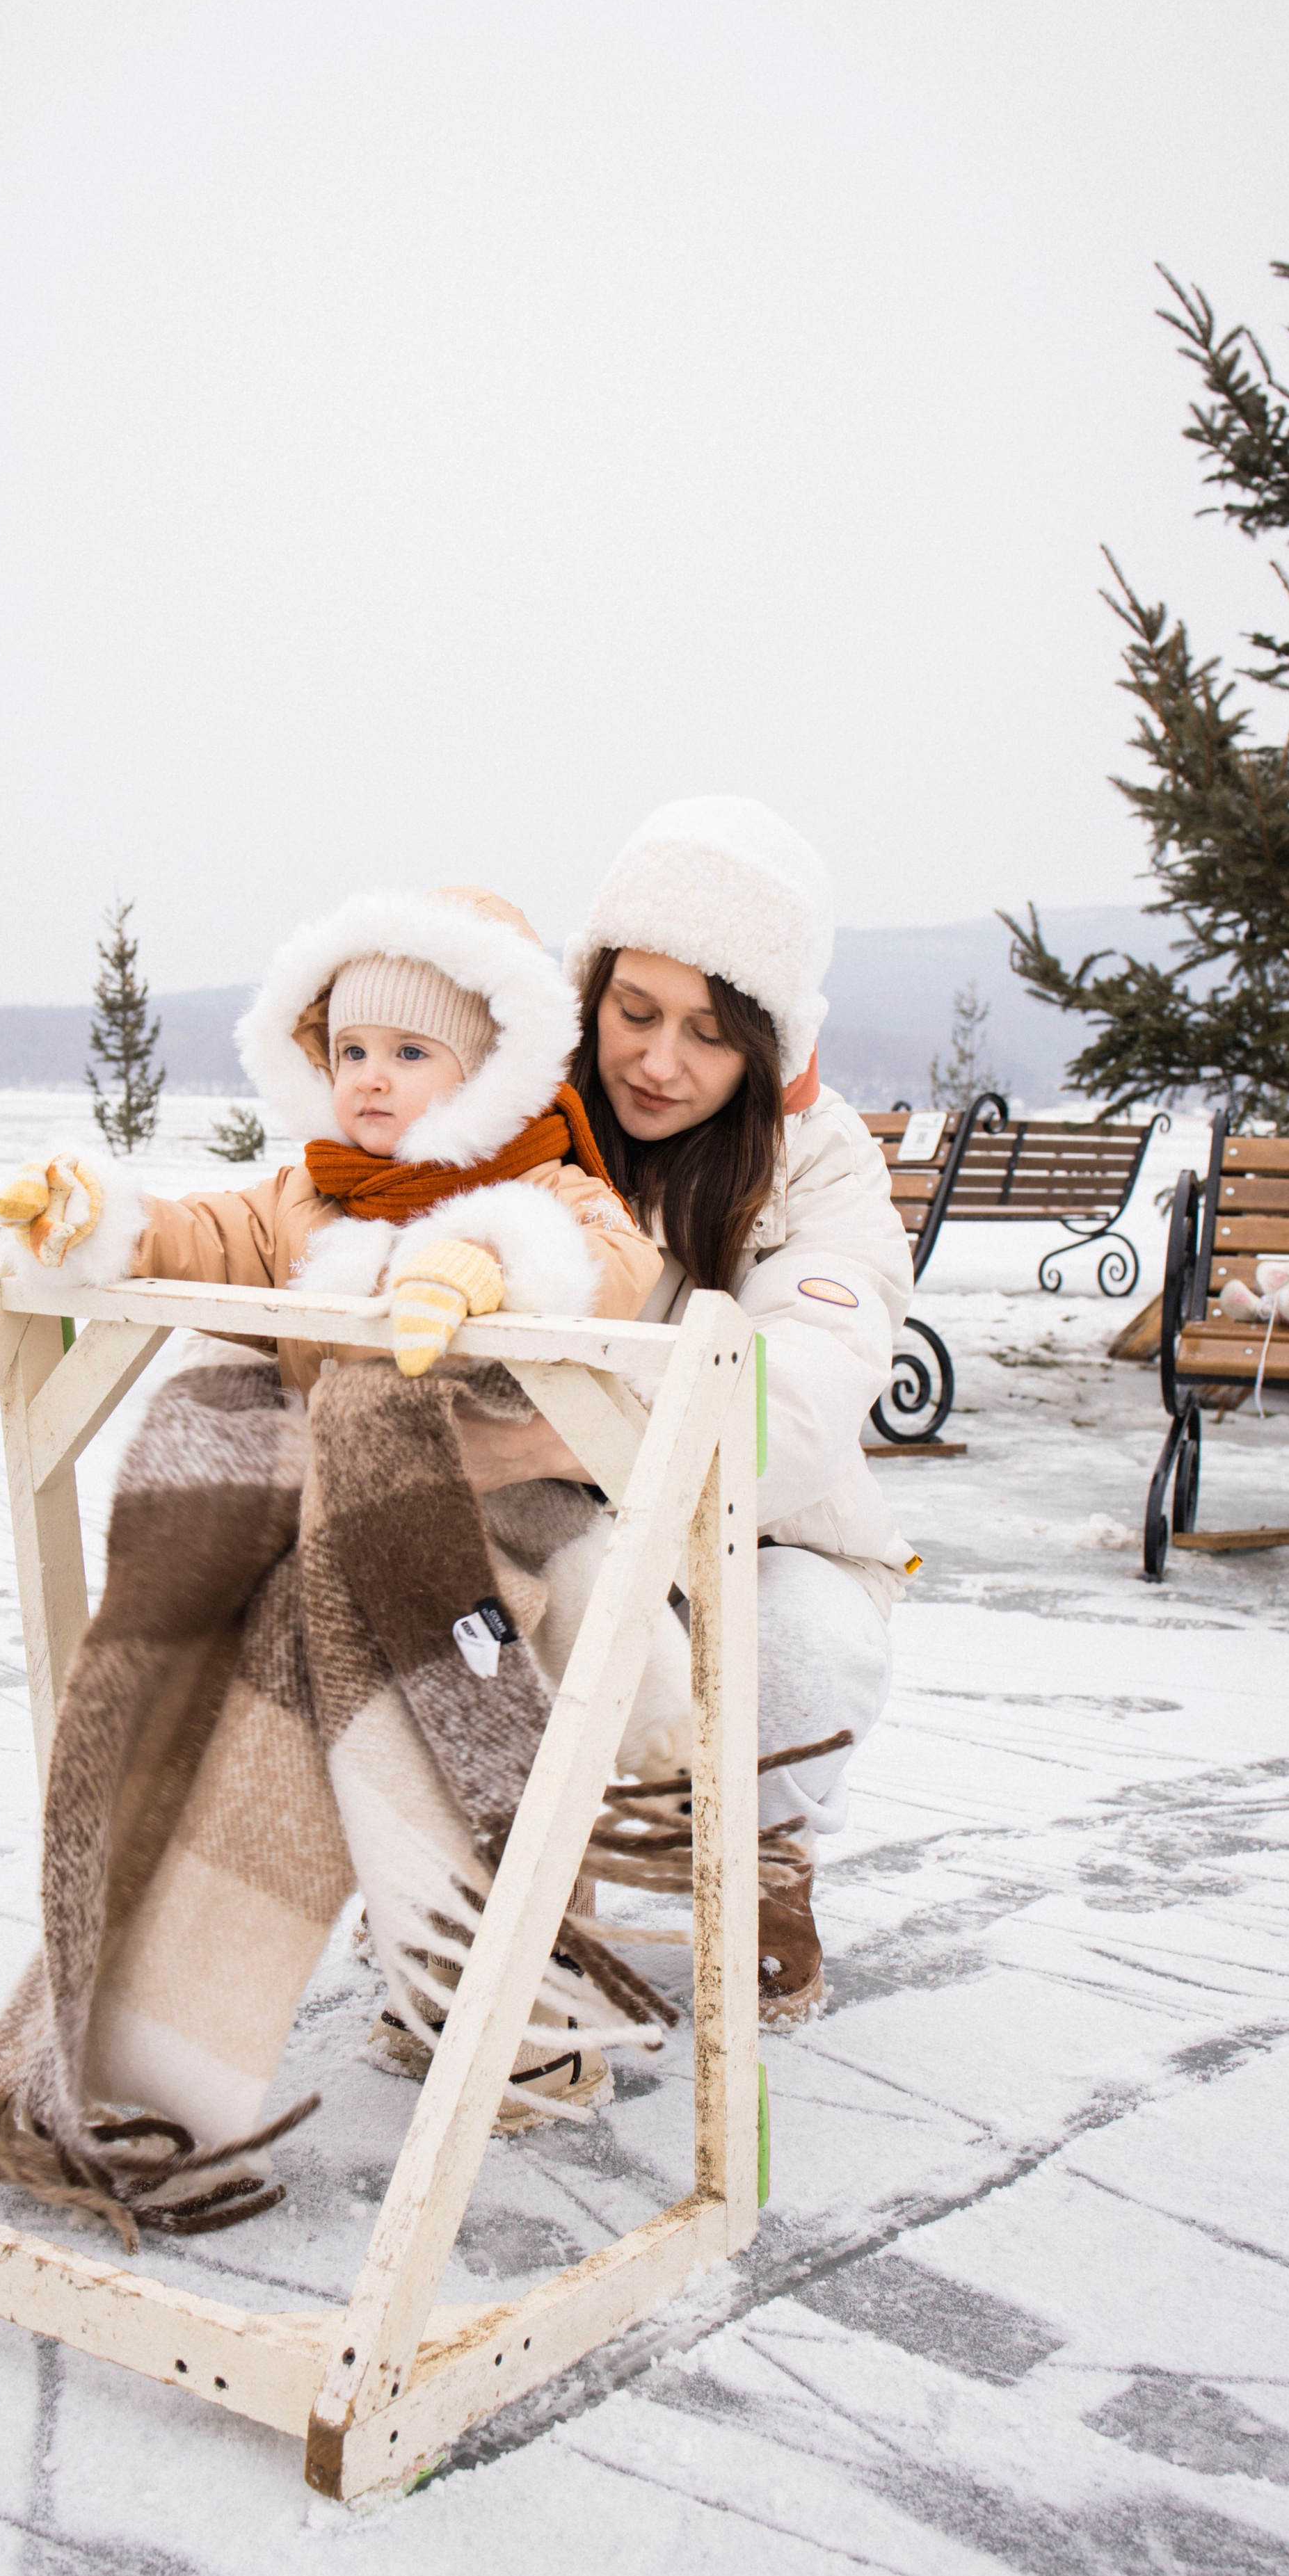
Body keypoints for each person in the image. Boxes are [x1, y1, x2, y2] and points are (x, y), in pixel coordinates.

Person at [454, 797, 917, 2023]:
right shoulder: (514, 1123)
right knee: (487, 1603)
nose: (660, 1062)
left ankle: (765, 1865)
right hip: (555, 1523)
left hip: (760, 1530)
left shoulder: (821, 1163)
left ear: (767, 1045)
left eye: (709, 1035)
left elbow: (811, 1375)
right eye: (636, 1014)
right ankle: (531, 1874)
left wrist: (560, 1439)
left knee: (808, 1644)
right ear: (591, 993)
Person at [0, 883, 663, 1371]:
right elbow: (211, 1238)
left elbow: (617, 1257)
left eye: (410, 1053)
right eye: (352, 1052)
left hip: (490, 1501)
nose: (370, 1076)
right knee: (207, 1407)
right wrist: (98, 1218)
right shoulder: (310, 1195)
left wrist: (491, 1259)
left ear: (489, 1076)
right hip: (321, 1507)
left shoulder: (545, 1186)